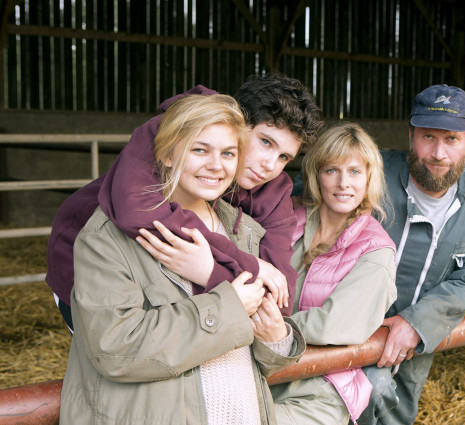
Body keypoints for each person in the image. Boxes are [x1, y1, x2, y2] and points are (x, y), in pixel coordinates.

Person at [59, 94, 305, 425]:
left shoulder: (247, 231)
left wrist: (278, 338)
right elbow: (115, 348)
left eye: (228, 153)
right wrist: (228, 305)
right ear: (167, 153)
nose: (216, 165)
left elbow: (260, 349)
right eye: (199, 149)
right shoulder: (109, 236)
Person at [46, 74, 323, 330]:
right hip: (87, 266)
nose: (270, 165)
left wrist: (212, 273)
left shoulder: (274, 190)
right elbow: (138, 212)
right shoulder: (178, 130)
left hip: (169, 288)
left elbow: (280, 290)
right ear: (237, 120)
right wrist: (249, 265)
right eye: (265, 142)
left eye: (285, 157)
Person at [357, 84, 465, 424]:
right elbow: (306, 204)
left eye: (451, 139)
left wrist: (419, 321)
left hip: (415, 340)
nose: (438, 153)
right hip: (350, 330)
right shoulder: (369, 172)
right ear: (411, 135)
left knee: (397, 409)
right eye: (428, 137)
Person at [271, 123, 397, 425]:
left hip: (320, 388)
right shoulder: (286, 218)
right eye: (332, 170)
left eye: (355, 171)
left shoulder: (376, 251)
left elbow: (334, 325)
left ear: (369, 178)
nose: (344, 183)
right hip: (265, 371)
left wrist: (255, 326)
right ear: (316, 175)